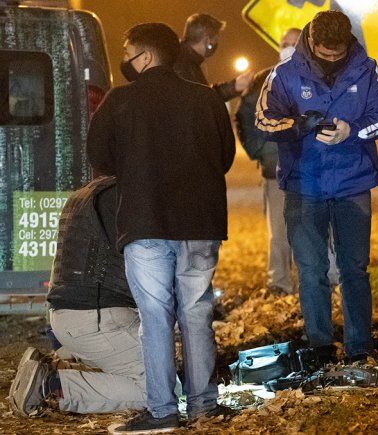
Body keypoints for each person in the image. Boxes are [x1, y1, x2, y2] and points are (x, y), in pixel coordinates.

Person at [87, 23, 235, 432]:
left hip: (144, 220)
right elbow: (224, 156)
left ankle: (162, 411)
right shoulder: (206, 100)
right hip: (199, 223)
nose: (126, 61)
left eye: (129, 53)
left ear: (146, 57)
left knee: (154, 317)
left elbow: (98, 154)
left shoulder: (120, 101)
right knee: (196, 311)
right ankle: (204, 405)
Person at [255, 11, 378, 363]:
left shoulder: (366, 69)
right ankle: (319, 344)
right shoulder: (284, 75)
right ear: (312, 43)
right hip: (305, 185)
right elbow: (263, 121)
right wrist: (297, 124)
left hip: (353, 184)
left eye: (339, 55)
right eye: (325, 55)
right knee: (312, 269)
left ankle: (360, 345)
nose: (332, 62)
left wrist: (354, 130)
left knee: (354, 269)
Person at [8, 176, 146, 416]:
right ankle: (51, 386)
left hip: (69, 320)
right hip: (98, 320)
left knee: (144, 363)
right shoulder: (127, 198)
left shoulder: (85, 195)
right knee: (160, 389)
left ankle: (58, 365)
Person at [236, 28, 339, 295]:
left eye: (295, 43)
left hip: (314, 169)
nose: (289, 47)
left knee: (319, 228)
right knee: (279, 234)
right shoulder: (263, 80)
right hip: (277, 170)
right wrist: (262, 150)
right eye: (285, 43)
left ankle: (325, 280)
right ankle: (280, 284)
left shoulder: (321, 77)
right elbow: (245, 115)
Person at [174, 13, 252, 101]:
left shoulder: (182, 59)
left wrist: (235, 86)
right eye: (216, 40)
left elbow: (205, 94)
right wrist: (233, 88)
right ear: (207, 41)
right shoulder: (184, 66)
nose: (216, 44)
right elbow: (204, 101)